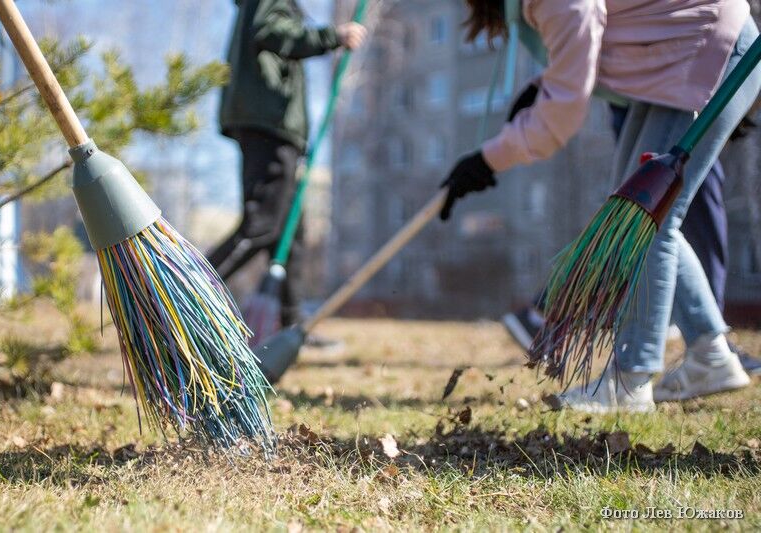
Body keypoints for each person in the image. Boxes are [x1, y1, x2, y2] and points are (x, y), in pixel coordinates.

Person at [441, 0, 761, 412]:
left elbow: (561, 115)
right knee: (632, 210)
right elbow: (605, 35)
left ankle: (630, 378)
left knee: (644, 218)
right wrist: (543, 87)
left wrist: (488, 159)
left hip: (708, 48)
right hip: (674, 58)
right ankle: (709, 354)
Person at [502, 104, 761, 377]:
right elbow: (569, 93)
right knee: (650, 212)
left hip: (654, 94)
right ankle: (643, 364)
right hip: (667, 95)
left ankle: (705, 347)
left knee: (644, 212)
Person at [208, 0, 366, 328]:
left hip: (272, 124)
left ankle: (292, 330)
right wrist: (332, 37)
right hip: (270, 123)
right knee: (262, 224)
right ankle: (178, 295)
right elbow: (270, 30)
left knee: (290, 235)